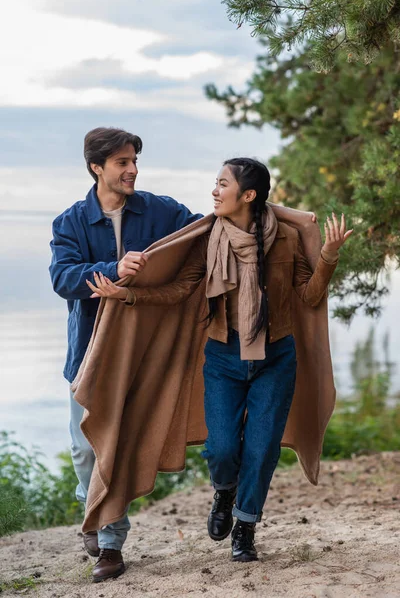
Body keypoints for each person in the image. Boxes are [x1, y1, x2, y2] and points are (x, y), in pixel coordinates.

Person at [87, 157, 352, 563]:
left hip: (276, 357)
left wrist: (329, 257)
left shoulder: (285, 239)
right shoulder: (210, 237)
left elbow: (309, 297)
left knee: (262, 450)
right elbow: (179, 290)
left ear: (247, 195)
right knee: (222, 448)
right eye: (215, 182)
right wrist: (129, 295)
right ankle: (224, 492)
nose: (214, 190)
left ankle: (245, 527)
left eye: (222, 184)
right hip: (223, 356)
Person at [49, 127, 201, 582]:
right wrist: (113, 268)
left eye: (134, 160)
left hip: (142, 355)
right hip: (89, 355)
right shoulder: (70, 221)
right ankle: (92, 509)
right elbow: (63, 278)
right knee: (84, 451)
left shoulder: (161, 209)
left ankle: (110, 548)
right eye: (122, 162)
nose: (132, 169)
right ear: (97, 167)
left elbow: (201, 233)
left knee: (119, 448)